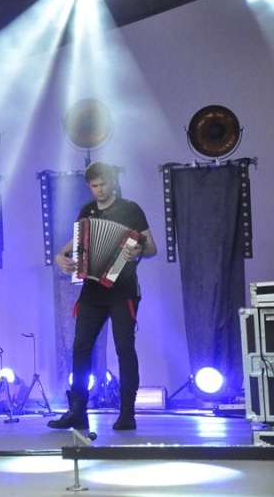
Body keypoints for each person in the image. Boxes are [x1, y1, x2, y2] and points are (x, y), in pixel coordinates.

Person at [49, 162, 157, 431]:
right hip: (93, 290)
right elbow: (79, 241)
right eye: (94, 186)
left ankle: (127, 412)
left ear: (112, 182)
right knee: (80, 349)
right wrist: (60, 254)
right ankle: (78, 410)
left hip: (123, 289)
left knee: (124, 349)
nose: (99, 190)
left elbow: (151, 248)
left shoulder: (131, 209)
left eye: (103, 184)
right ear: (89, 186)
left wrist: (138, 251)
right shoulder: (87, 211)